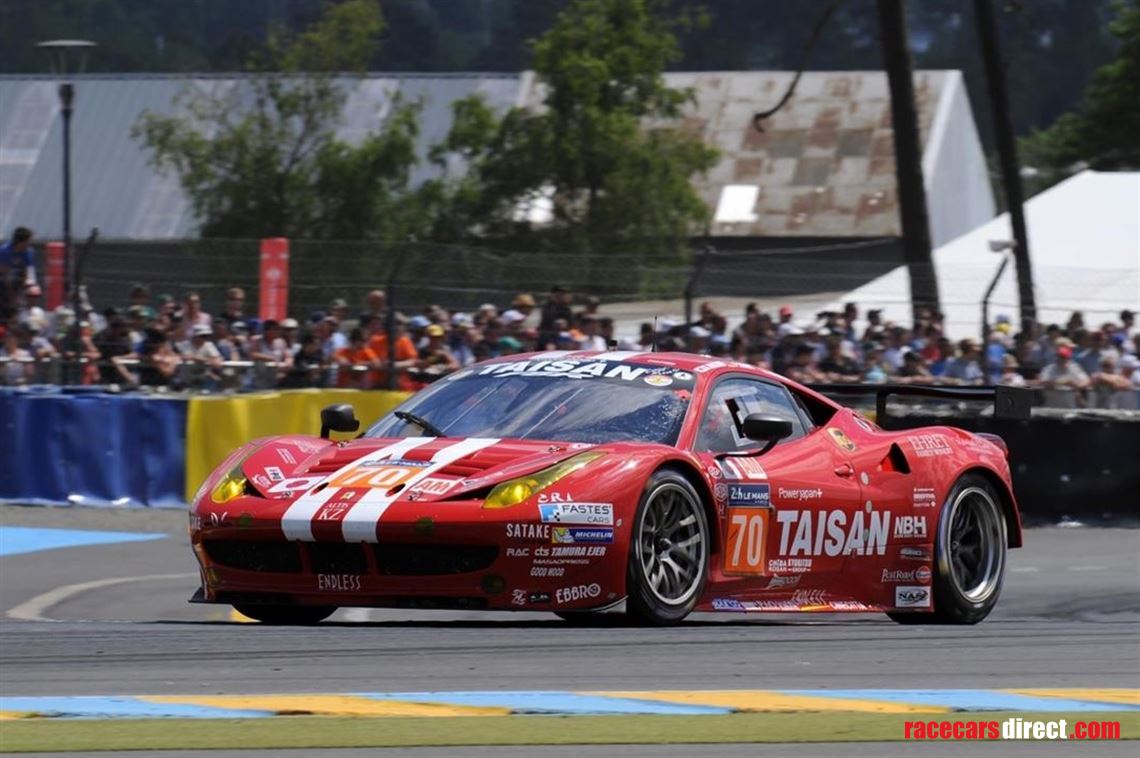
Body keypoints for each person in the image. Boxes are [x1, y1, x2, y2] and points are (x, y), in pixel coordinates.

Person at [0, 227, 38, 312]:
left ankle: (29, 313)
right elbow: (5, 276)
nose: (30, 243)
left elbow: (28, 273)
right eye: (29, 241)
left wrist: (29, 288)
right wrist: (13, 298)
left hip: (17, 278)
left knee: (33, 289)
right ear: (21, 241)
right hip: (4, 279)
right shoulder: (5, 251)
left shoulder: (28, 252)